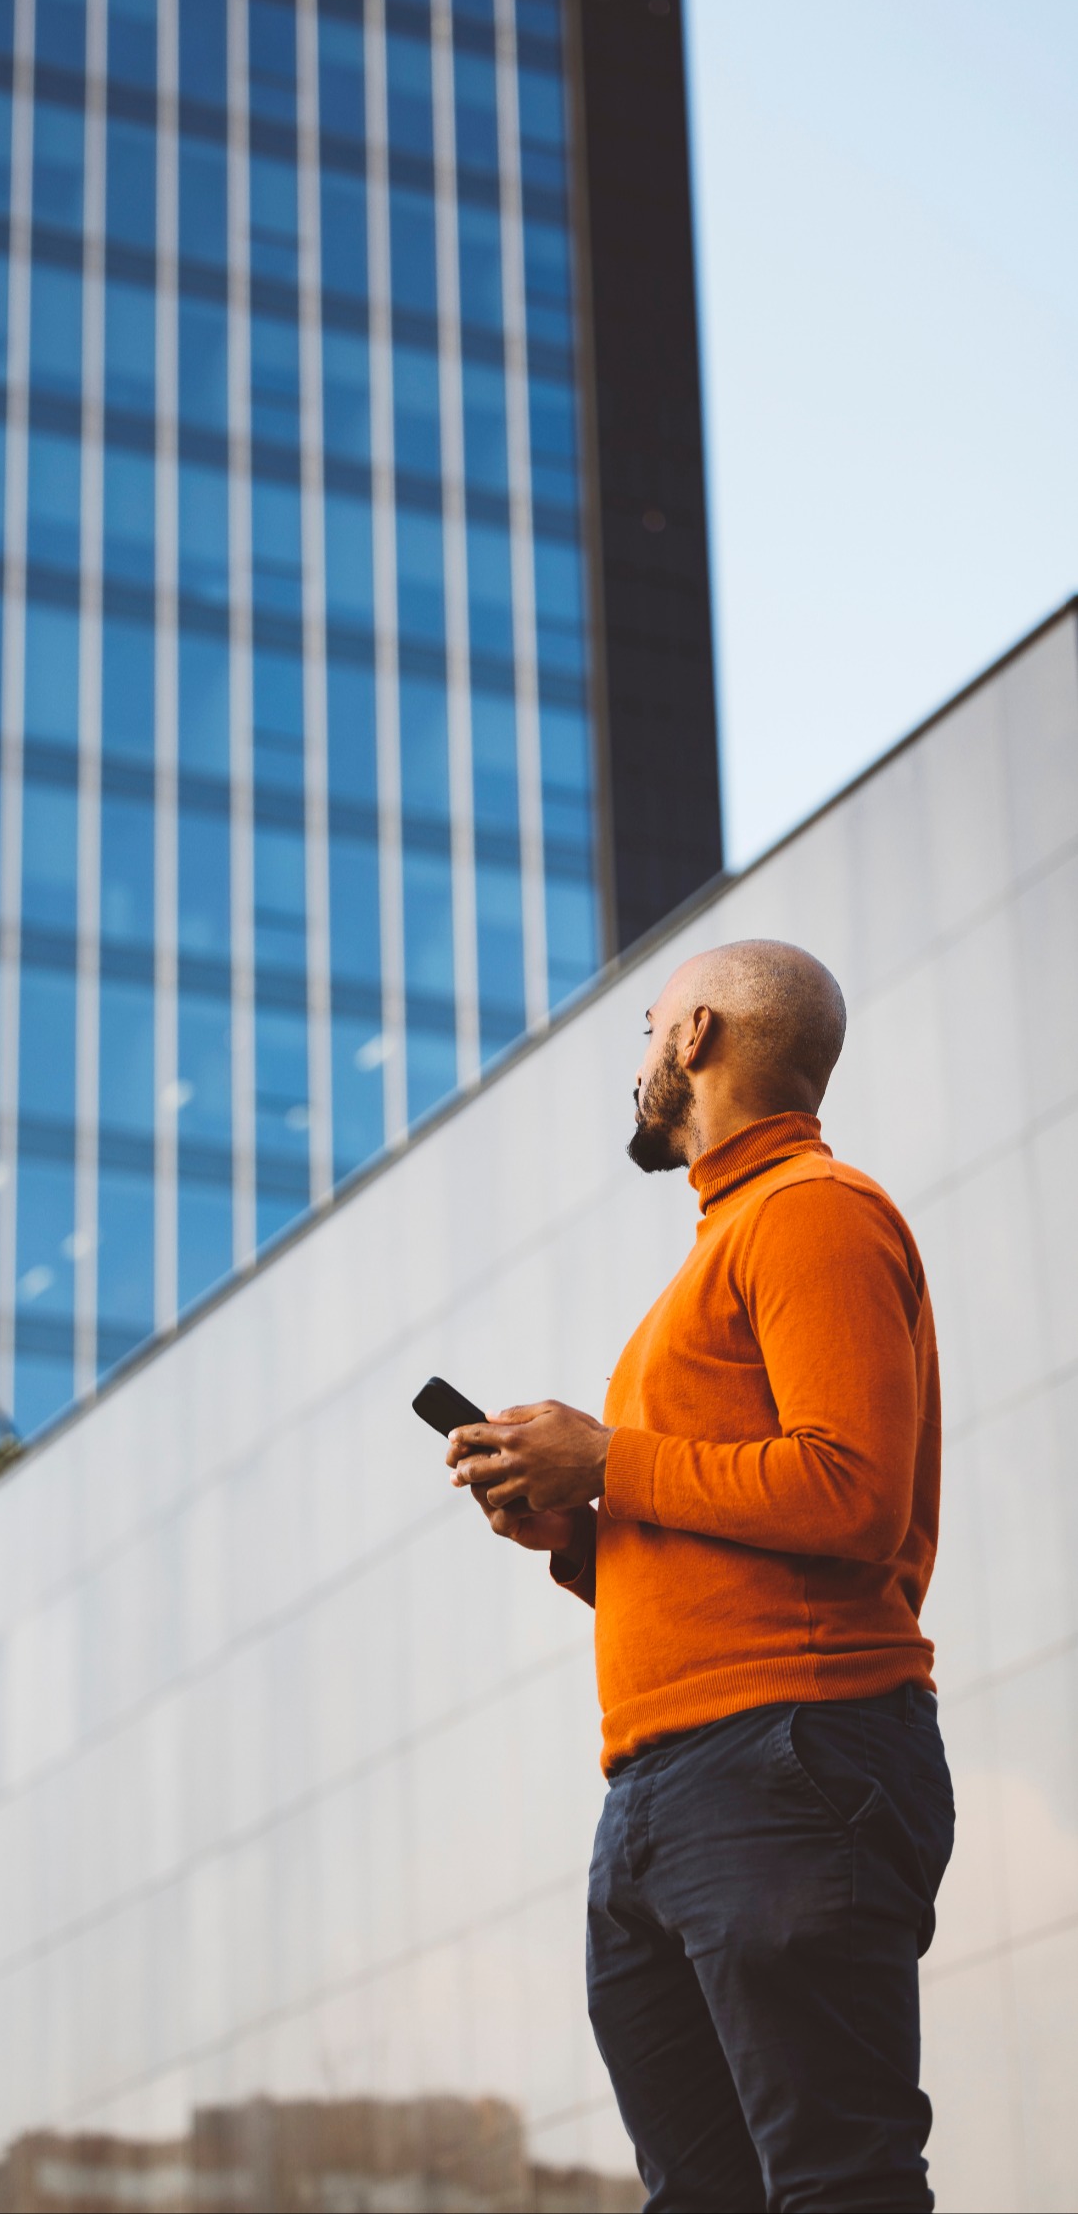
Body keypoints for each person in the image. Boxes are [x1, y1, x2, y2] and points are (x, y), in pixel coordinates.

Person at [446, 940, 954, 2214]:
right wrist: (577, 1533)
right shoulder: (717, 1249)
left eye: (647, 1031)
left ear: (698, 1035)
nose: (638, 1064)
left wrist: (611, 1457)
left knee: (839, 2182)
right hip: (665, 1784)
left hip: (789, 1756)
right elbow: (735, 1542)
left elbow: (852, 1491)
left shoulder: (812, 1212)